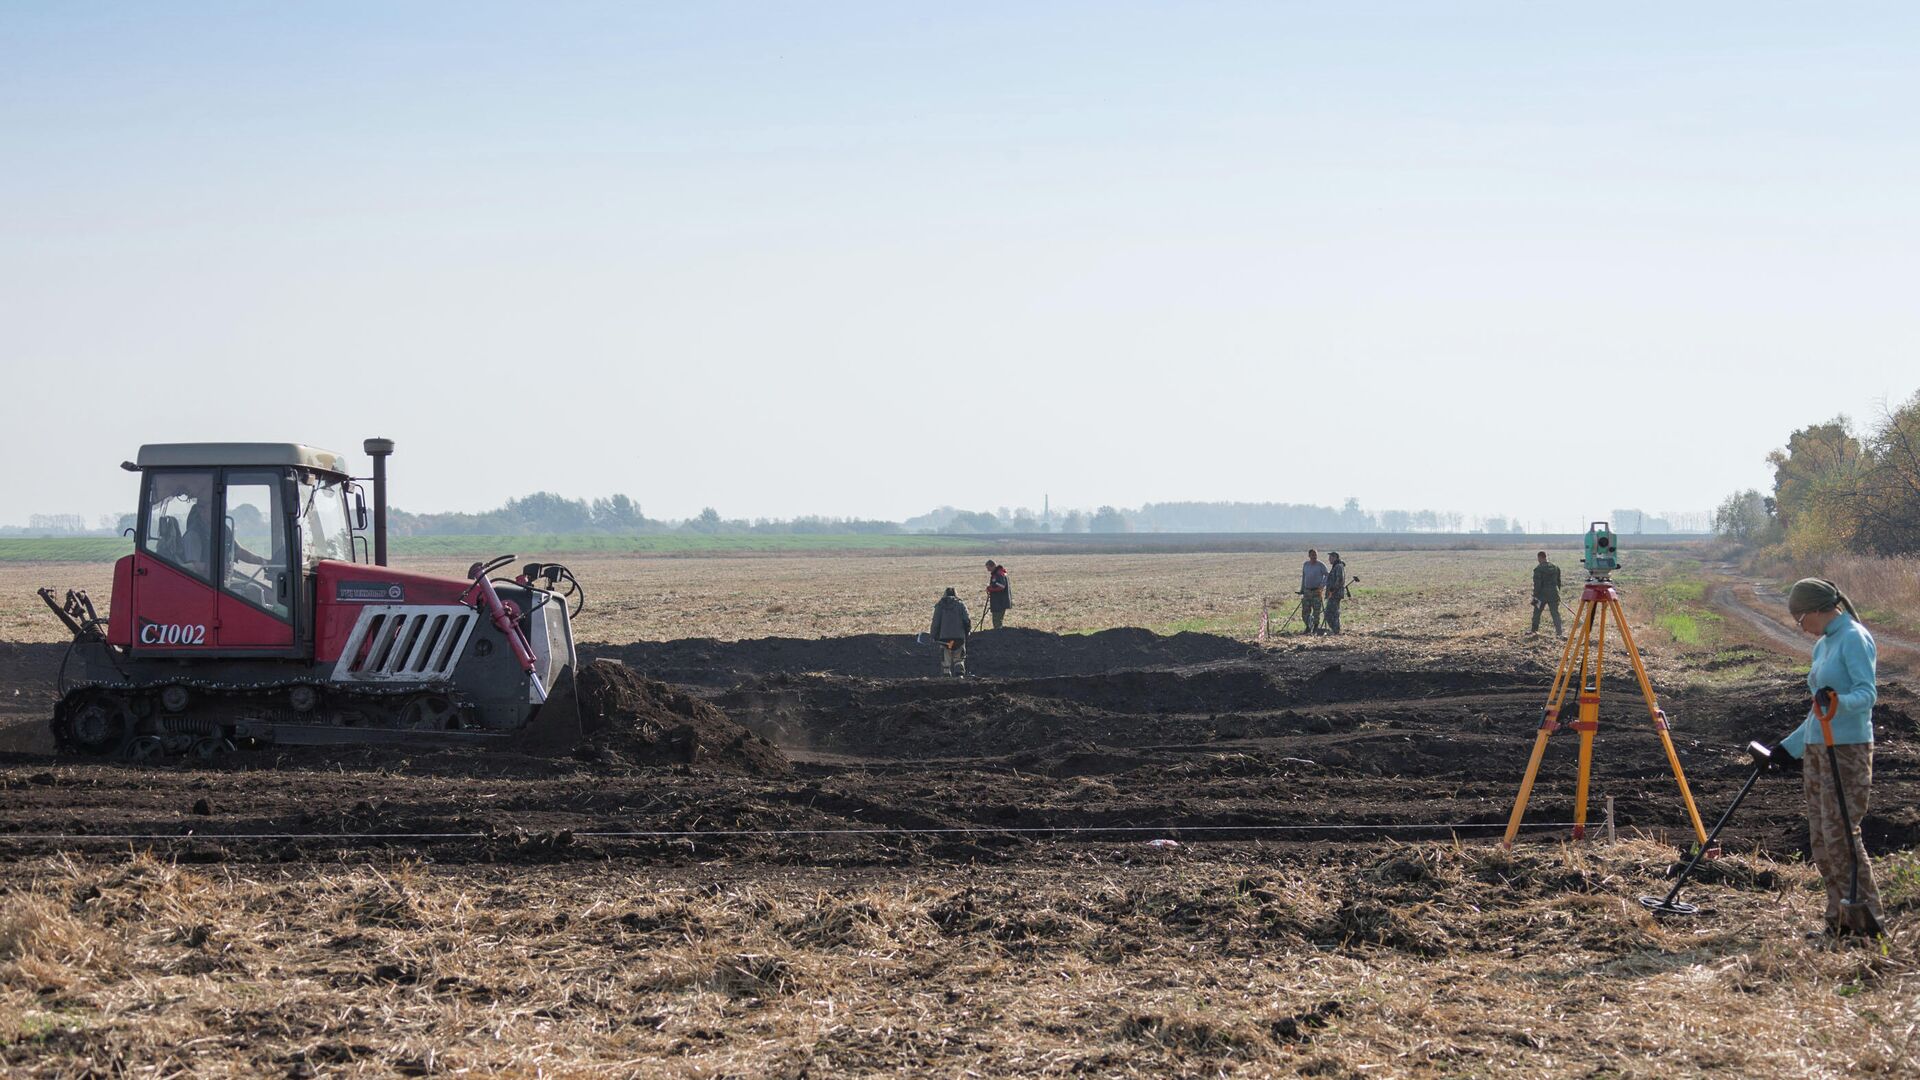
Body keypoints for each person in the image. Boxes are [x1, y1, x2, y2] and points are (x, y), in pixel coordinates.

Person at [1763, 578, 1883, 937]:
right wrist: (1788, 747)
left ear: (1817, 609)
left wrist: (1839, 702)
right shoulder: (1823, 646)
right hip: (1818, 748)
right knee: (1820, 837)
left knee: (1842, 835)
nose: (1800, 627)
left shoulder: (1854, 638)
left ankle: (1868, 923)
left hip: (1846, 750)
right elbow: (1818, 709)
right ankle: (1839, 921)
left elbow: (1867, 694)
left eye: (1800, 619)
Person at [930, 587, 972, 677]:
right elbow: (966, 620)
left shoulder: (939, 606)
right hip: (959, 638)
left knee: (946, 659)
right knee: (959, 659)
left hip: (944, 639)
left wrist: (933, 635)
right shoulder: (961, 605)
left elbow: (936, 623)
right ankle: (960, 676)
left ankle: (946, 676)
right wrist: (968, 631)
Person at [1531, 551, 1564, 637]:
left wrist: (1535, 595)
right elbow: (1558, 582)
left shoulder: (1538, 569)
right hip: (1554, 594)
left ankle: (1534, 631)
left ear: (1540, 558)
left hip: (1541, 595)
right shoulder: (1555, 568)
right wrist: (1557, 593)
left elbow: (1537, 584)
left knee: (1537, 613)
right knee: (1555, 613)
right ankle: (1559, 633)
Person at [1299, 549, 1329, 634]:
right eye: (1312, 555)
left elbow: (1327, 575)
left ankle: (1316, 627)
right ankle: (1308, 626)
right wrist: (1302, 589)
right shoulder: (1306, 565)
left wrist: (1322, 586)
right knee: (1305, 611)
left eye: (1315, 555)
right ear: (1309, 556)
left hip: (1317, 591)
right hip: (1307, 591)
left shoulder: (1321, 565)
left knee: (1316, 611)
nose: (1314, 556)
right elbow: (1304, 577)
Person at [1324, 552, 1349, 634]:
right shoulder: (1336, 566)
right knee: (1333, 612)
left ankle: (1335, 630)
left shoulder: (1338, 566)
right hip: (1333, 593)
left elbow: (1340, 580)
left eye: (1330, 557)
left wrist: (1332, 589)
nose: (1329, 559)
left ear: (1335, 557)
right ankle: (1335, 630)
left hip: (1335, 594)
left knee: (1330, 613)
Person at [985, 560, 1012, 629]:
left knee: (997, 621)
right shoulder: (999, 573)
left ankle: (999, 635)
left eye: (988, 568)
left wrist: (990, 589)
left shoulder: (998, 574)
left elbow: (1002, 586)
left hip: (1000, 602)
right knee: (998, 621)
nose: (987, 570)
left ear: (993, 566)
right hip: (1000, 601)